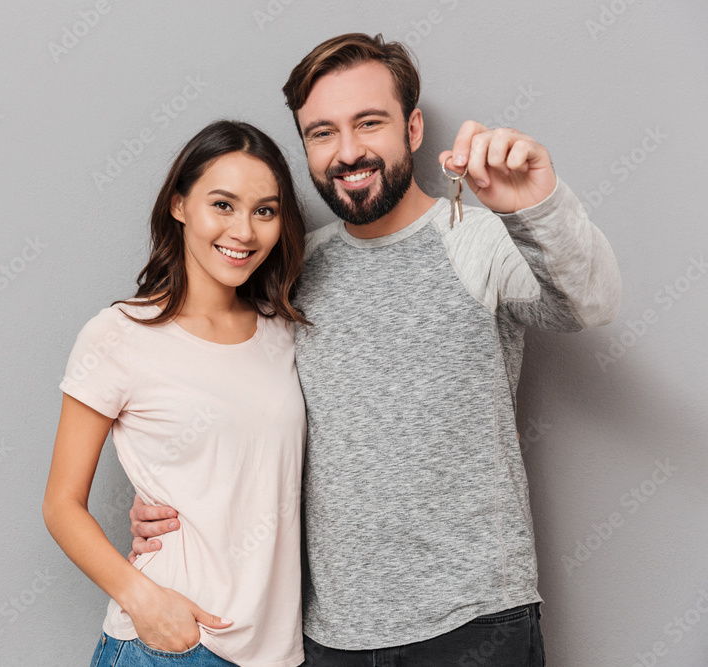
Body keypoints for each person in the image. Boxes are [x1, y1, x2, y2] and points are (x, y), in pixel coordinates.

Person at [128, 34, 622, 666]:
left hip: (474, 622)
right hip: (333, 636)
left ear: (413, 128)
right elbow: (239, 405)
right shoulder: (294, 272)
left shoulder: (474, 238)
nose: (348, 151)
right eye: (322, 132)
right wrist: (175, 499)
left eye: (369, 123)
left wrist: (540, 206)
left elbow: (591, 303)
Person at [43, 119, 312, 666]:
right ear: (179, 205)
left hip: (279, 653)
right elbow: (60, 505)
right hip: (172, 647)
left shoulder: (286, 332)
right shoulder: (119, 334)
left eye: (265, 210)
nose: (243, 231)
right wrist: (143, 599)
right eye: (222, 204)